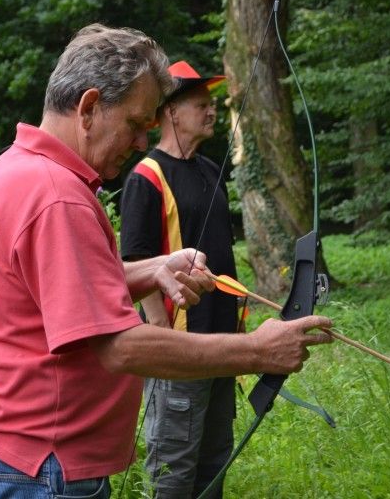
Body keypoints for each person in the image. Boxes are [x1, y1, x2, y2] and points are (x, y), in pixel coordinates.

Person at [0, 24, 332, 498]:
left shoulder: (14, 168)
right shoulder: (57, 196)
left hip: (16, 462)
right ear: (89, 107)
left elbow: (50, 297)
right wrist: (258, 350)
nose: (138, 143)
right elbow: (119, 347)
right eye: (135, 124)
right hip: (42, 470)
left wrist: (150, 269)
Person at [120, 59, 241, 498]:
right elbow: (135, 258)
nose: (211, 111)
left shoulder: (210, 170)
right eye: (200, 104)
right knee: (174, 468)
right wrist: (161, 334)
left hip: (222, 342)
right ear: (171, 111)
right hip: (180, 347)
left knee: (214, 460)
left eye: (212, 104)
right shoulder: (146, 176)